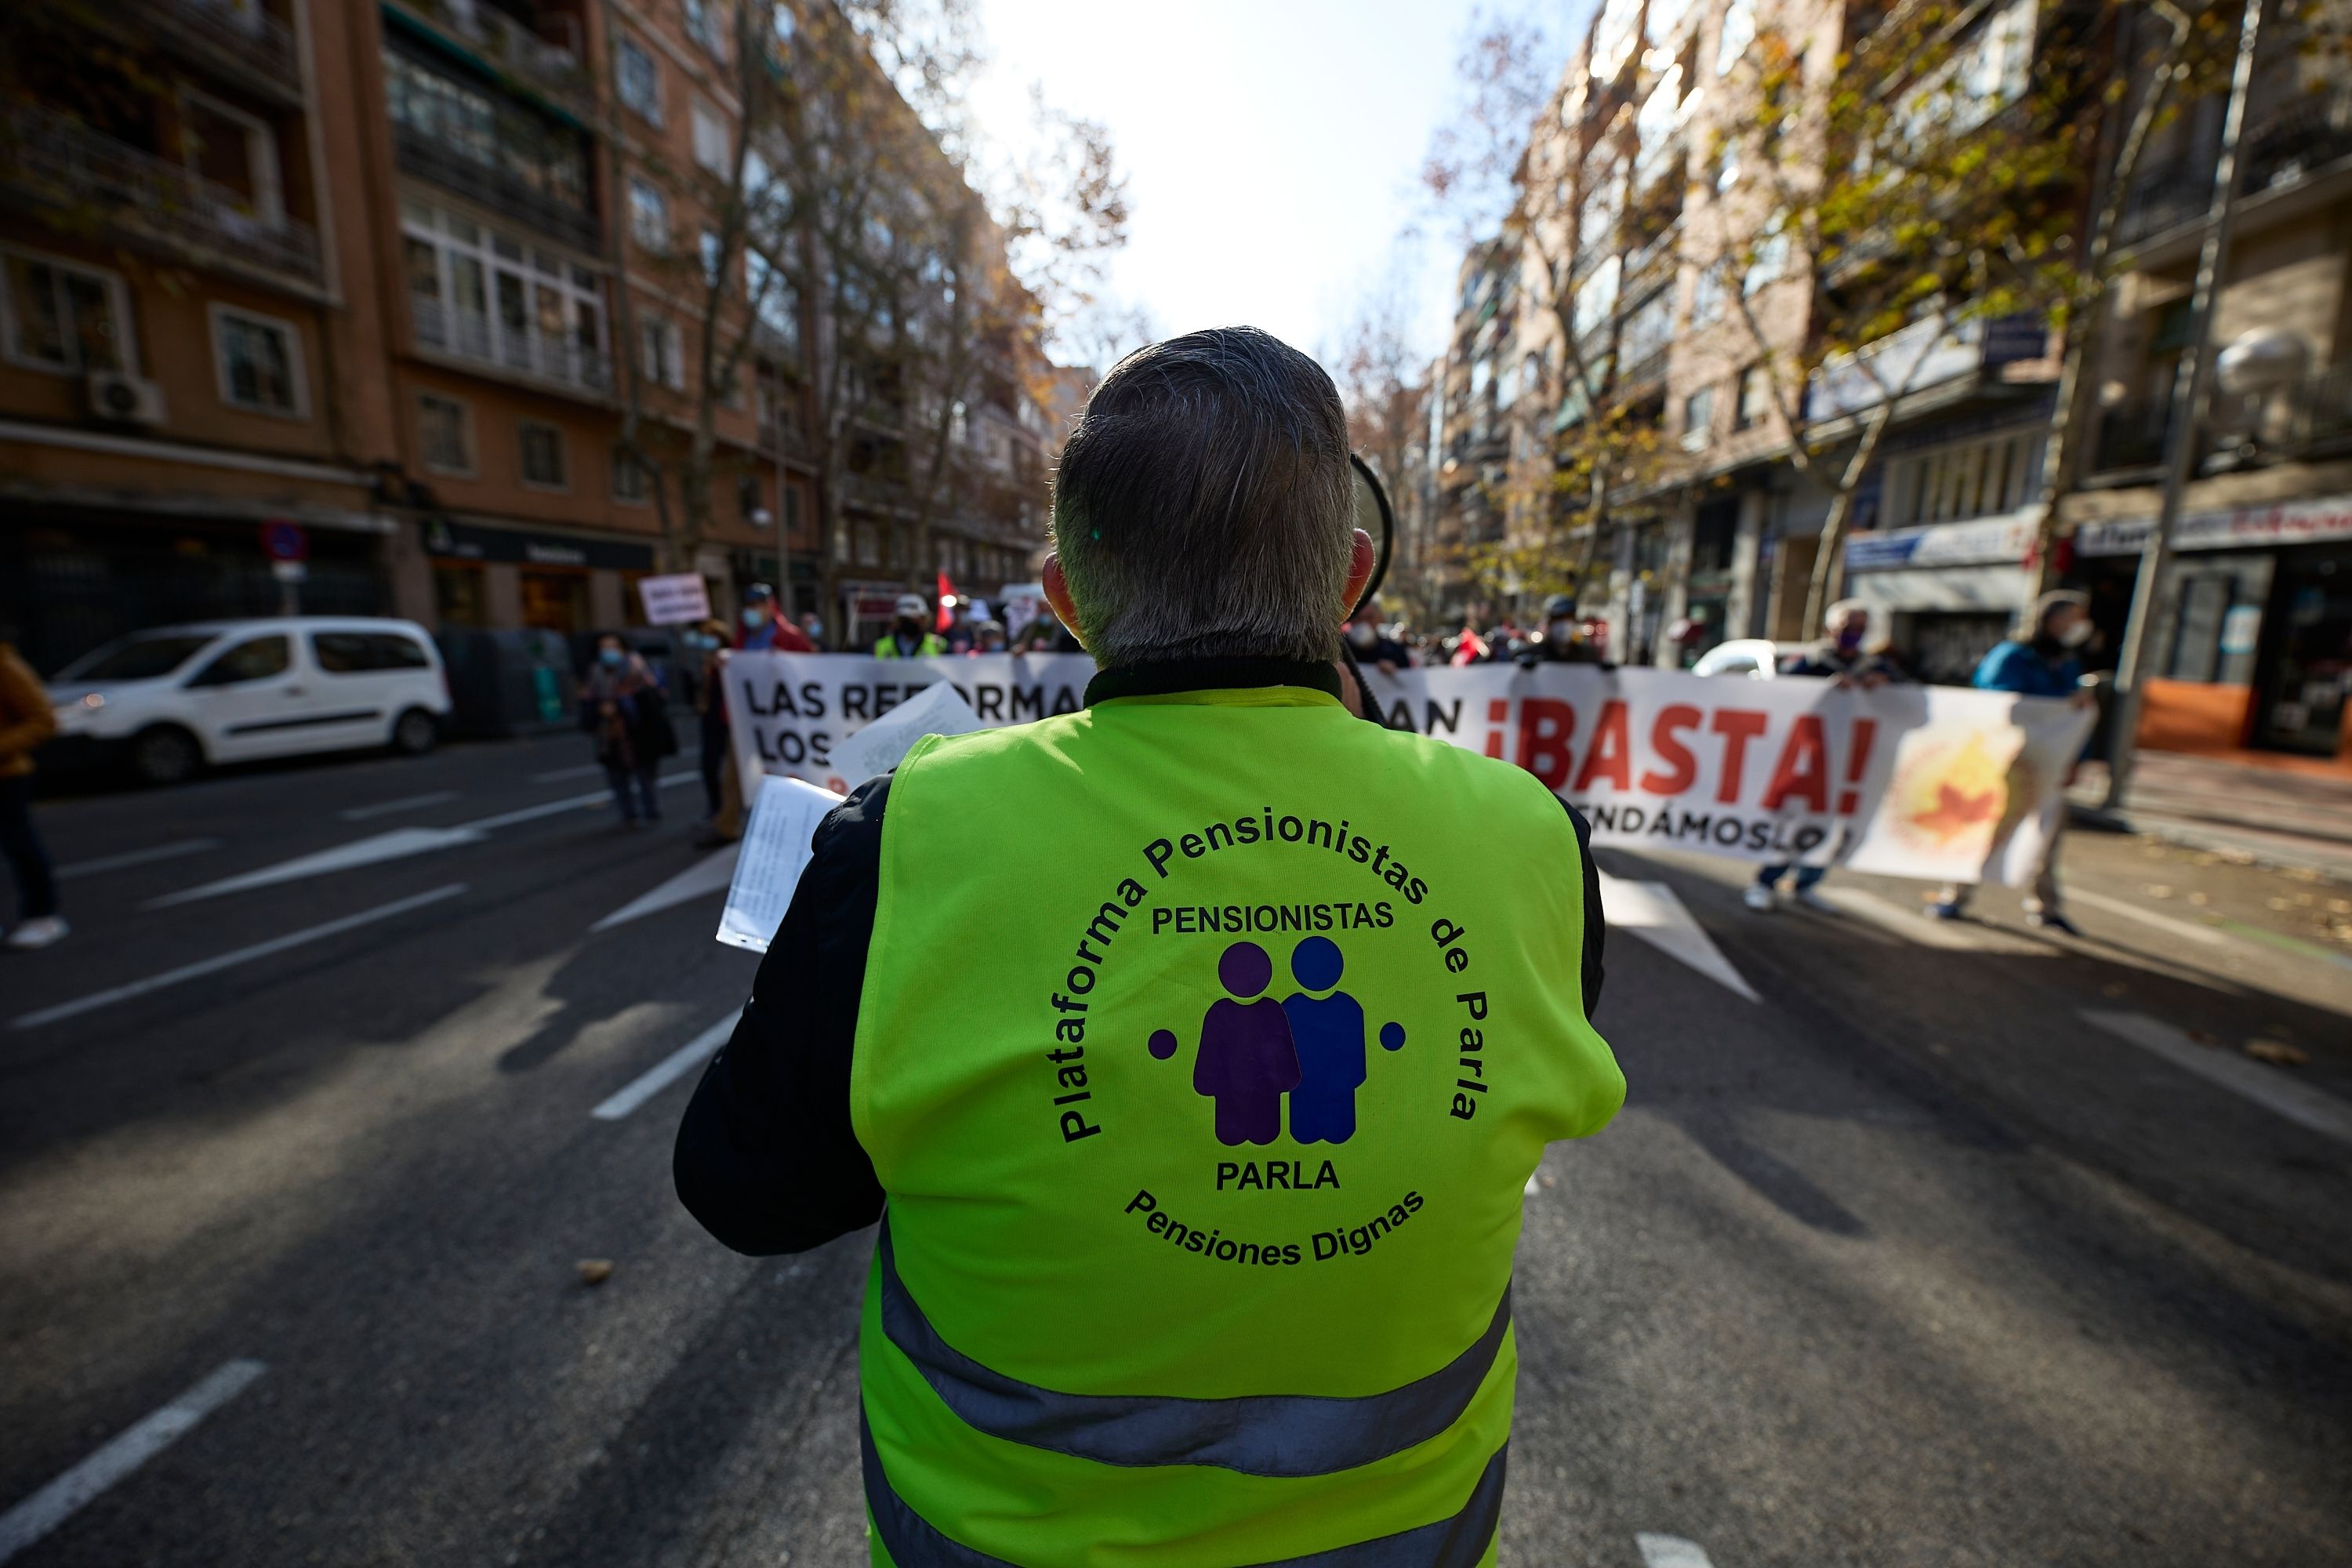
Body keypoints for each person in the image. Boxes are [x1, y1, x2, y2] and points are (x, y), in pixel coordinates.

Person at [674, 326, 1621, 1564]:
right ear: (1346, 580)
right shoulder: (1531, 839)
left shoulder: (905, 836)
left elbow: (747, 1191)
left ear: (1069, 605)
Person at [1926, 590, 2100, 931]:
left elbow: (2069, 722)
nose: (2077, 625)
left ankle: (2046, 906)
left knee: (2046, 836)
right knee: (1984, 826)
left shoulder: (2066, 661)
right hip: (2006, 762)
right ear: (2049, 618)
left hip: (2048, 765)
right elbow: (1999, 702)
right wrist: (2060, 701)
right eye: (2071, 617)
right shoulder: (2013, 656)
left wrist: (2075, 758)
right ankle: (1955, 895)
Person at [1744, 599, 1902, 913]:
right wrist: (1824, 688)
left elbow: (1915, 703)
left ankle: (1807, 883)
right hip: (1808, 763)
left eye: (1860, 628)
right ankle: (1766, 881)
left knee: (1832, 828)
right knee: (1793, 824)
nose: (1854, 634)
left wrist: (1887, 685)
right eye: (1848, 627)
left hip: (1851, 767)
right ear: (1830, 629)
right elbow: (1782, 696)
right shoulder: (1811, 662)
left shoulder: (1874, 667)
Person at [0, 633, 64, 950]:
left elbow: (43, 719)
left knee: (19, 845)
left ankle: (43, 916)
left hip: (6, 776)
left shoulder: (5, 665)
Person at [581, 634, 674, 828]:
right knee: (617, 776)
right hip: (610, 734)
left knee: (645, 776)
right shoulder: (595, 672)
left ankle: (651, 810)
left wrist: (621, 707)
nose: (608, 652)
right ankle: (628, 814)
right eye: (604, 648)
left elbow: (652, 702)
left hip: (639, 733)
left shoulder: (637, 670)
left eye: (612, 647)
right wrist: (599, 710)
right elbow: (588, 701)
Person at [690, 618, 732, 824]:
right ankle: (716, 807)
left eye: (710, 635)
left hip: (728, 721)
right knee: (709, 766)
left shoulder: (729, 659)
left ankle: (728, 811)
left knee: (730, 770)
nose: (707, 640)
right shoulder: (705, 661)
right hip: (710, 720)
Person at [1521, 593, 1610, 667]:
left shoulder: (1588, 655)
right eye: (1558, 618)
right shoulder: (1533, 654)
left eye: (1569, 618)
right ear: (1549, 622)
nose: (1563, 624)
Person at [738, 583, 815, 653]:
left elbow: (809, 662)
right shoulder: (741, 637)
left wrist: (785, 659)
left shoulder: (791, 637)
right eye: (748, 606)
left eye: (755, 606)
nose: (751, 610)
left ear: (769, 607)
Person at [873, 593, 946, 658]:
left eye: (915, 619)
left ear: (924, 620)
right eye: (906, 619)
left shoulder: (938, 645)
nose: (910, 622)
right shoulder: (880, 646)